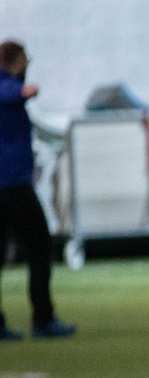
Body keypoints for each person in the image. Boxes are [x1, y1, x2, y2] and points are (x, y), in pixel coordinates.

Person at [0, 40, 74, 340]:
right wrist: (24, 89)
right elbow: (14, 92)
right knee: (41, 246)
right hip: (13, 186)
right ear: (16, 61)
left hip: (10, 184)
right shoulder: (7, 85)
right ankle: (43, 319)